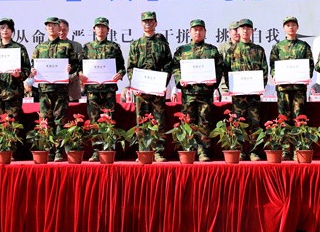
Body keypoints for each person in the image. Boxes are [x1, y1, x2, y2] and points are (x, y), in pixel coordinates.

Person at [172, 19, 223, 161]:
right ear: (190, 32)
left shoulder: (212, 50)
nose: (198, 32)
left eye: (201, 30)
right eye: (195, 30)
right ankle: (189, 149)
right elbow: (175, 67)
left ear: (205, 32)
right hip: (188, 93)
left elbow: (219, 68)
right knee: (188, 122)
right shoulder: (182, 50)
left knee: (205, 123)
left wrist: (214, 81)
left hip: (205, 93)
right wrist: (180, 80)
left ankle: (203, 151)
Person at [127, 11, 172, 161]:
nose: (148, 24)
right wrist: (135, 85)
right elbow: (131, 67)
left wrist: (163, 83)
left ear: (156, 23)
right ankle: (143, 151)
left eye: (151, 21)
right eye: (145, 21)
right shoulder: (136, 44)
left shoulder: (162, 44)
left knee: (159, 120)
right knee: (141, 120)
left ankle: (158, 151)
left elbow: (168, 65)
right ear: (141, 24)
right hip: (141, 91)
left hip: (157, 89)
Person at [32, 17, 79, 161]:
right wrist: (33, 71)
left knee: (60, 120)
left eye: (54, 25)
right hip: (44, 89)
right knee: (45, 120)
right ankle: (48, 150)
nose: (51, 28)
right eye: (48, 26)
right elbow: (33, 65)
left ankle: (58, 151)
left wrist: (70, 68)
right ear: (45, 29)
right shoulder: (39, 47)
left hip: (60, 89)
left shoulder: (67, 46)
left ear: (59, 28)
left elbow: (76, 65)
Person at [223, 18, 268, 160]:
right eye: (242, 28)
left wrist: (259, 86)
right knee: (238, 122)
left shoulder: (258, 50)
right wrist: (232, 87)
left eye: (248, 28)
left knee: (255, 123)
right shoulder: (231, 50)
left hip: (254, 94)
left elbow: (264, 71)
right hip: (238, 95)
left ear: (252, 31)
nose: (245, 31)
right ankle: (240, 150)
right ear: (238, 31)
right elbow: (226, 71)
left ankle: (254, 151)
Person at [81, 17, 126, 160]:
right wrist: (80, 74)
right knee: (94, 121)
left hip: (108, 90)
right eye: (98, 27)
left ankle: (108, 149)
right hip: (92, 90)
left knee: (109, 120)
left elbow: (122, 67)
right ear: (94, 29)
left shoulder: (114, 47)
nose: (101, 29)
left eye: (103, 27)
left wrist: (120, 74)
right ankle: (96, 151)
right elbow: (80, 67)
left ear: (108, 30)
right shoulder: (87, 47)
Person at [269, 16, 313, 158]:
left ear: (297, 27)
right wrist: (274, 75)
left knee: (299, 118)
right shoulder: (278, 47)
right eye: (288, 25)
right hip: (283, 89)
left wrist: (306, 75)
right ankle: (285, 149)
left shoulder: (304, 46)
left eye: (293, 25)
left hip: (299, 88)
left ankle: (299, 149)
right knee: (283, 119)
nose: (291, 27)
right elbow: (273, 65)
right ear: (284, 28)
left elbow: (310, 64)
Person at [0, 18, 31, 129]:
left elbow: (27, 69)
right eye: (2, 28)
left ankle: (12, 141)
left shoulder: (19, 48)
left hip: (13, 92)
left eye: (8, 28)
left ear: (12, 31)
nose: (5, 30)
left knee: (13, 124)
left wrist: (19, 75)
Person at [60, 18, 84, 102]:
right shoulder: (47, 46)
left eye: (64, 30)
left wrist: (69, 78)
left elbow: (81, 65)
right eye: (59, 30)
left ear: (68, 30)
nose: (61, 32)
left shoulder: (76, 46)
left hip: (72, 88)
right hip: (53, 88)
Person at [217, 21, 239, 97]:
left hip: (244, 87)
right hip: (226, 88)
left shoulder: (248, 47)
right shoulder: (222, 48)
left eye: (239, 29)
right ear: (229, 32)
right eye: (235, 30)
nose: (237, 32)